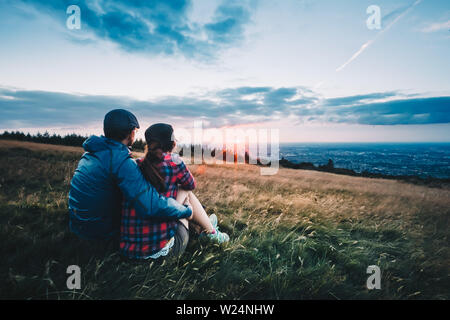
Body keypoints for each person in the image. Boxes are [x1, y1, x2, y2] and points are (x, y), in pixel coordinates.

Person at [68, 110, 192, 244]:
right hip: (102, 234)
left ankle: (208, 227)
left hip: (79, 227)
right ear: (131, 132)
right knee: (183, 190)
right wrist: (186, 210)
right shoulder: (122, 162)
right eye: (136, 131)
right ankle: (209, 229)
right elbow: (151, 206)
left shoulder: (90, 154)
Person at [119, 123, 229, 260]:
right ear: (172, 143)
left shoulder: (137, 164)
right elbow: (190, 184)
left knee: (178, 192)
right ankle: (211, 232)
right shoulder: (174, 161)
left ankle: (208, 228)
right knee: (185, 189)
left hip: (130, 251)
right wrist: (182, 204)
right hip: (164, 253)